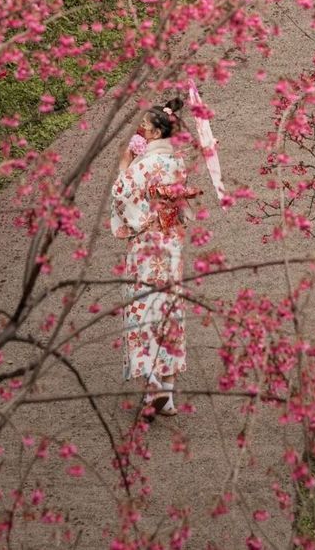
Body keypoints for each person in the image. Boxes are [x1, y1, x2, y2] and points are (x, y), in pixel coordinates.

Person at [111, 96, 198, 416]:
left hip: (147, 245)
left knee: (143, 309)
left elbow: (122, 195)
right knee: (169, 310)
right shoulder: (176, 163)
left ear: (158, 132)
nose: (142, 130)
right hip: (171, 244)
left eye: (146, 127)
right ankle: (169, 395)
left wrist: (125, 164)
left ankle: (153, 390)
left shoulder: (144, 165)